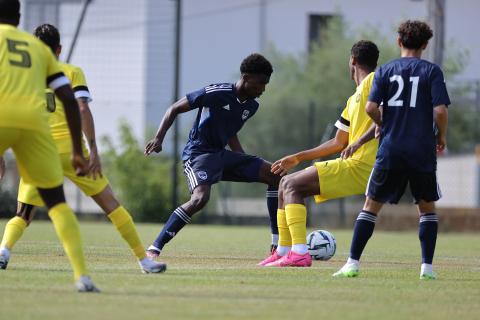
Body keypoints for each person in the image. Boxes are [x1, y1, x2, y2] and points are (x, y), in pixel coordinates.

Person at [0, 24, 167, 275]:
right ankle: (144, 260)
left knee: (23, 213)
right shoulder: (71, 71)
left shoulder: (26, 76)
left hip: (40, 151)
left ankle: (3, 252)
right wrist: (94, 149)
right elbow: (81, 108)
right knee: (112, 204)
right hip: (72, 151)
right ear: (59, 49)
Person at [333, 20, 449, 279]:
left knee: (370, 206)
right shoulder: (432, 71)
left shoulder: (385, 71)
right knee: (427, 209)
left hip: (391, 149)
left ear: (399, 42)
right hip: (421, 150)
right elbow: (440, 110)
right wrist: (441, 136)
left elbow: (371, 108)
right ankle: (426, 269)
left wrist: (384, 124)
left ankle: (352, 263)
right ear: (425, 45)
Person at [0, 0, 97, 292]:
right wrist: (80, 151)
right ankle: (82, 276)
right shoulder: (36, 50)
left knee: (23, 211)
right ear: (18, 17)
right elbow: (70, 100)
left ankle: (3, 251)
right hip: (35, 127)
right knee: (57, 205)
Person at [144, 53, 281, 257]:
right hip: (198, 154)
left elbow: (230, 130)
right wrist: (158, 138)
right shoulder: (217, 92)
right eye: (261, 83)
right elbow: (174, 108)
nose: (263, 89)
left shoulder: (251, 106)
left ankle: (277, 245)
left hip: (221, 155)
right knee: (200, 199)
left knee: (275, 174)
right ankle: (155, 248)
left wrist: (241, 160)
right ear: (246, 77)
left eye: (266, 84)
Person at [258, 40, 380, 267]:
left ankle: (300, 253)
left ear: (352, 60)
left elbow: (385, 115)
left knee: (292, 186)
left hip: (362, 166)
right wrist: (298, 157)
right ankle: (284, 251)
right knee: (285, 182)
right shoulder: (353, 98)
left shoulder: (373, 81)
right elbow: (338, 142)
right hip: (354, 164)